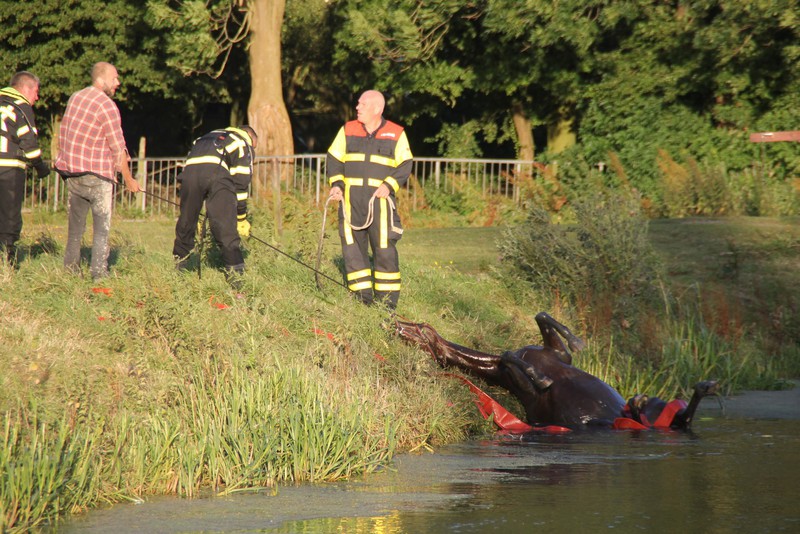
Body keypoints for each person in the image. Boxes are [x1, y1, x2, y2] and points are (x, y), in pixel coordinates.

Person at [326, 90, 413, 310]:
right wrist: (336, 185)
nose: (358, 107)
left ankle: (387, 306)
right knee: (352, 250)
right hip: (349, 201)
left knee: (384, 249)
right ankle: (362, 301)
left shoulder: (396, 133)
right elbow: (334, 158)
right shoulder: (347, 130)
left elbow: (405, 164)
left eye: (362, 104)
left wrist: (389, 184)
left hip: (380, 204)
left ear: (377, 108)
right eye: (358, 104)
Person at [54, 62, 141, 280]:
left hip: (73, 174)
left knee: (75, 229)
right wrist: (129, 179)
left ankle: (70, 270)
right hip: (97, 176)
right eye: (115, 78)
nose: (118, 83)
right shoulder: (106, 105)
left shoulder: (76, 97)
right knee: (101, 228)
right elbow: (117, 146)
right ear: (102, 80)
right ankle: (99, 274)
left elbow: (65, 133)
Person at [171, 125, 257, 287]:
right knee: (225, 227)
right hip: (217, 173)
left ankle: (179, 273)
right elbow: (241, 184)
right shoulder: (243, 142)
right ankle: (236, 279)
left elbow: (194, 165)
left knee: (186, 223)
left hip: (190, 174)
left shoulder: (205, 137)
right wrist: (241, 218)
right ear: (251, 138)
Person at [0, 71, 50, 266]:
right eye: (36, 92)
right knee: (9, 217)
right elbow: (29, 142)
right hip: (10, 168)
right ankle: (7, 262)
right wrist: (40, 166)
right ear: (26, 88)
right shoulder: (22, 107)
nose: (37, 97)